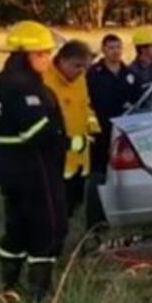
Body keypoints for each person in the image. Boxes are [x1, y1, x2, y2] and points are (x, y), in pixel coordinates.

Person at [0, 21, 68, 302]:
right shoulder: (25, 87)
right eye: (43, 53)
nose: (48, 59)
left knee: (16, 227)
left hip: (6, 168)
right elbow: (37, 133)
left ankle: (9, 286)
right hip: (34, 169)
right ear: (27, 55)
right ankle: (39, 293)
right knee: (48, 226)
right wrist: (69, 141)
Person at [85, 34, 143, 228]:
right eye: (111, 47)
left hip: (125, 133)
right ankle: (96, 219)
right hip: (100, 133)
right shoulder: (93, 74)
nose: (115, 51)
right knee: (98, 175)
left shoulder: (131, 75)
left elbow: (139, 102)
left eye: (118, 47)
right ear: (103, 50)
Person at [42, 40, 100, 220]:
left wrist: (93, 125)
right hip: (56, 154)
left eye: (85, 67)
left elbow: (85, 105)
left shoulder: (80, 79)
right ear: (62, 60)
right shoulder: (43, 80)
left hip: (80, 151)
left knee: (76, 197)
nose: (81, 71)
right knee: (57, 202)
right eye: (77, 66)